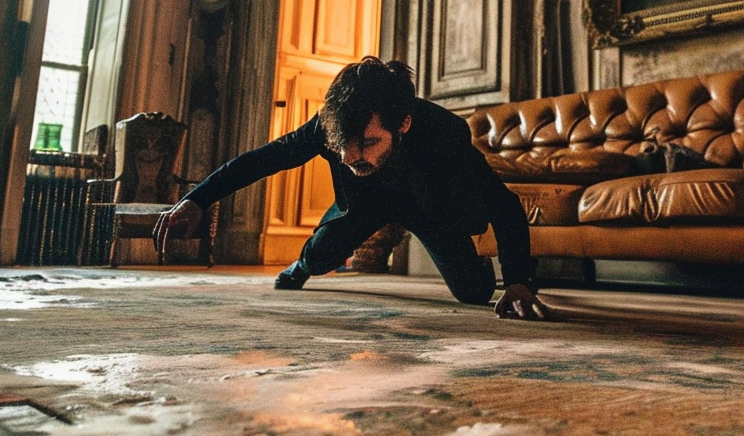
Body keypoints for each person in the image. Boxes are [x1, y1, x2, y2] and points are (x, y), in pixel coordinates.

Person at [153, 57, 548, 320]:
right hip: (364, 203)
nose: (350, 157)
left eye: (369, 143)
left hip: (429, 209)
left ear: (403, 125)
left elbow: (502, 202)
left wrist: (516, 278)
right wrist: (196, 199)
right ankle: (302, 264)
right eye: (344, 146)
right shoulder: (328, 126)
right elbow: (264, 158)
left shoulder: (443, 132)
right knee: (320, 259)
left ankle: (475, 270)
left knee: (475, 294)